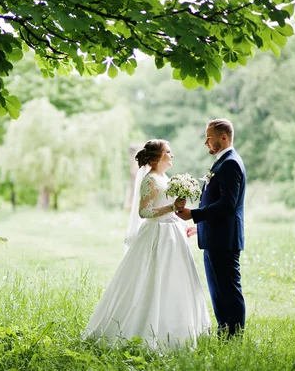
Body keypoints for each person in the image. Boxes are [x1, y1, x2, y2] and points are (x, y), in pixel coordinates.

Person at [83, 139, 210, 349]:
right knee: (152, 279)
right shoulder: (150, 180)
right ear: (157, 157)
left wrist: (179, 218)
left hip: (172, 233)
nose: (172, 155)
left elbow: (164, 206)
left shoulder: (164, 176)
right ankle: (143, 328)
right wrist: (171, 207)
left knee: (174, 279)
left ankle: (178, 329)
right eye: (168, 152)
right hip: (156, 235)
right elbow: (144, 212)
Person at [175, 119, 246, 338]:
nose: (206, 142)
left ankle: (233, 339)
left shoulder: (230, 163)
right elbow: (215, 198)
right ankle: (224, 334)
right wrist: (202, 226)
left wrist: (194, 215)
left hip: (224, 240)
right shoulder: (222, 162)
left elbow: (228, 203)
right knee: (218, 292)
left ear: (223, 137)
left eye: (209, 137)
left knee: (229, 292)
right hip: (216, 236)